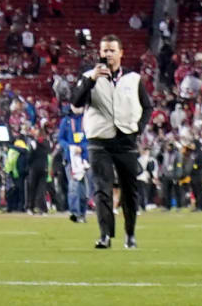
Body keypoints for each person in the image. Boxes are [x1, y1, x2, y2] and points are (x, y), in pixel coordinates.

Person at [72, 34, 151, 250]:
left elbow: (148, 106)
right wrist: (91, 80)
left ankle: (130, 234)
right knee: (102, 188)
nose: (108, 54)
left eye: (112, 50)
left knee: (129, 188)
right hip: (100, 139)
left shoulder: (133, 79)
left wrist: (138, 129)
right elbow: (75, 102)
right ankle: (105, 235)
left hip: (125, 139)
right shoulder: (89, 76)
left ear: (121, 53)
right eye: (105, 50)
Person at [57, 104, 90, 223]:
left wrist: (82, 148)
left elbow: (91, 138)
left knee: (84, 189)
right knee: (73, 186)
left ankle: (83, 213)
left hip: (84, 159)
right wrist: (69, 147)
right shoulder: (66, 121)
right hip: (70, 159)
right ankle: (75, 212)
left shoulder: (87, 120)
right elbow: (60, 139)